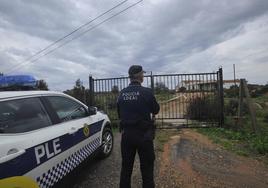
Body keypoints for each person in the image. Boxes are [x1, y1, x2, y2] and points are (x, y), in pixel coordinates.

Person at [117, 65, 160, 188]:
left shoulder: (122, 93)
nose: (143, 76)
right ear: (139, 76)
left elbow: (120, 114)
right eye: (143, 74)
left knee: (126, 168)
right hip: (144, 136)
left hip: (127, 136)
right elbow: (156, 110)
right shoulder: (147, 92)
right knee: (147, 169)